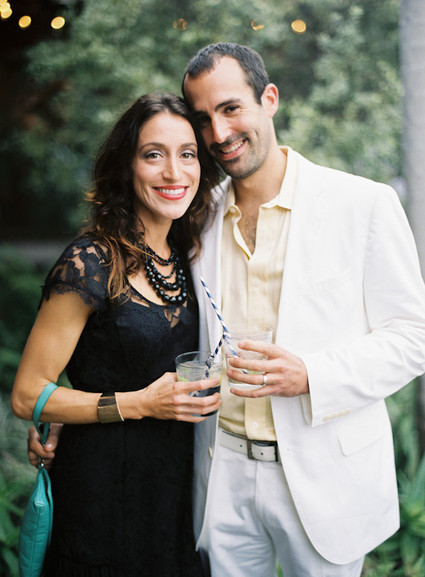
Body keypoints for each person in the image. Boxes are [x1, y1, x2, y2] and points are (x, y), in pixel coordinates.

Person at [28, 43, 425, 577]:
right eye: (203, 118)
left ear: (270, 99)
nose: (218, 133)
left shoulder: (363, 204)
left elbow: (413, 335)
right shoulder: (194, 213)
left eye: (231, 108)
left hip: (324, 477)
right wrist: (68, 407)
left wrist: (312, 374)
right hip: (218, 475)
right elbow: (136, 324)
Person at [11, 91, 221, 577]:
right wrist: (139, 403)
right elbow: (27, 395)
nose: (174, 172)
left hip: (173, 492)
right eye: (154, 155)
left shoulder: (188, 255)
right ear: (126, 166)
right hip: (101, 490)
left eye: (187, 154)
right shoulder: (90, 261)